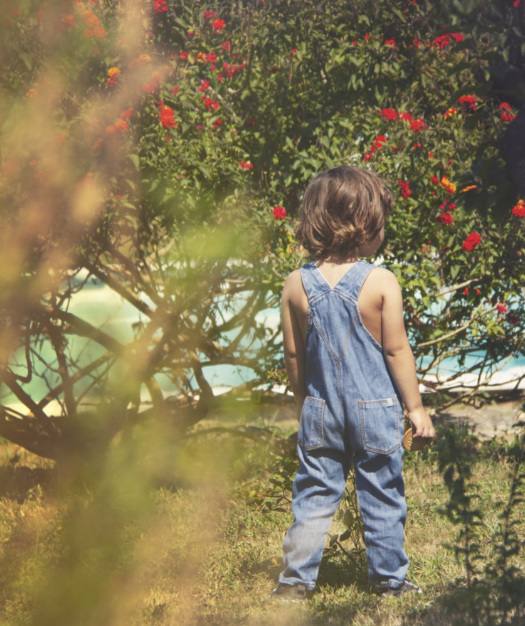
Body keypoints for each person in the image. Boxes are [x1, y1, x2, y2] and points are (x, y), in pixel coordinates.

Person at [271, 165, 435, 601]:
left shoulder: (294, 284)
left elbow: (293, 354)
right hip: (375, 409)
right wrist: (415, 408)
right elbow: (397, 351)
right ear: (364, 225)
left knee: (314, 493)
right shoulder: (381, 282)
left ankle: (294, 583)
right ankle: (388, 581)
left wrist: (305, 400)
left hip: (320, 410)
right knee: (382, 493)